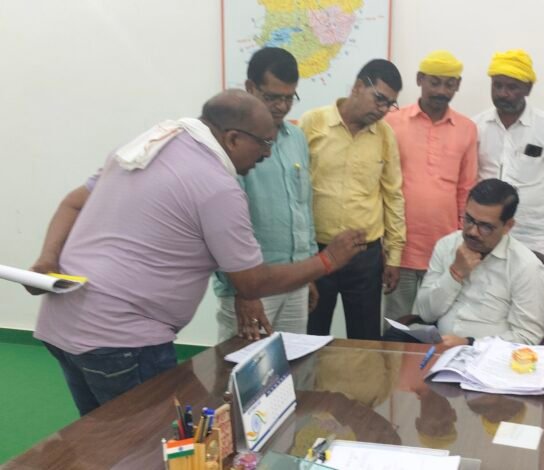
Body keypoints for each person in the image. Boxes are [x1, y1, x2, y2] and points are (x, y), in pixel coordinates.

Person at [28, 90, 366, 415]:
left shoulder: (151, 142)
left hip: (63, 323)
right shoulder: (217, 186)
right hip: (122, 340)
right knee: (153, 441)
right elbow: (252, 282)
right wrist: (329, 260)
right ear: (233, 139)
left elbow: (72, 203)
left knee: (104, 435)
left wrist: (47, 259)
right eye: (265, 143)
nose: (267, 154)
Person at [212, 48, 318, 341]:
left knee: (293, 362)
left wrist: (307, 273)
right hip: (253, 287)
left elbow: (303, 207)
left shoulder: (297, 138)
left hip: (294, 283)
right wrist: (242, 292)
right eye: (272, 97)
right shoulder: (232, 142)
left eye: (289, 98)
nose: (282, 107)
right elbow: (224, 226)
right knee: (244, 365)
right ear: (250, 88)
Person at [300, 59, 406, 340]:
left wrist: (394, 257)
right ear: (358, 86)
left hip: (364, 256)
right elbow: (296, 191)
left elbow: (393, 195)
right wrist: (300, 256)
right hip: (317, 252)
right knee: (311, 337)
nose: (383, 110)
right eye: (380, 99)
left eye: (390, 104)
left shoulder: (385, 135)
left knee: (365, 340)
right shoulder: (313, 123)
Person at [386, 179, 544, 350]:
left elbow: (527, 337)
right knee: (391, 340)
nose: (472, 232)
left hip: (488, 357)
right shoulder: (447, 245)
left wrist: (470, 344)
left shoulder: (526, 267)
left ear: (508, 226)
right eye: (469, 219)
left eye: (485, 227)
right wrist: (455, 273)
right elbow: (426, 314)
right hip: (438, 348)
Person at [384, 50, 478, 320]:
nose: (441, 91)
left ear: (458, 85)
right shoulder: (391, 123)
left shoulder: (467, 128)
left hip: (445, 252)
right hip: (400, 251)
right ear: (419, 79)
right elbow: (382, 188)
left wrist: (463, 243)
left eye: (449, 84)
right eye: (434, 82)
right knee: (398, 326)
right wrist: (387, 249)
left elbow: (466, 190)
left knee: (440, 326)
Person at [474, 49, 544, 254]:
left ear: (528, 89)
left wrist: (532, 209)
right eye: (497, 85)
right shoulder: (476, 126)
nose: (503, 93)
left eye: (512, 87)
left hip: (529, 236)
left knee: (530, 277)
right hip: (483, 233)